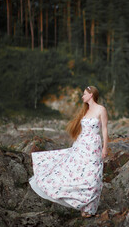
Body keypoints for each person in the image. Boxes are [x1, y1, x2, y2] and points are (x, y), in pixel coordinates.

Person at [29, 86, 109, 218]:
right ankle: (80, 204)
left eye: (84, 94)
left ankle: (89, 208)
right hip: (81, 145)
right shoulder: (86, 111)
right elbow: (83, 131)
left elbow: (104, 129)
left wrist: (105, 147)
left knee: (93, 174)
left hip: (94, 146)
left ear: (91, 95)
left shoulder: (101, 109)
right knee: (76, 172)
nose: (82, 97)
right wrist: (76, 144)